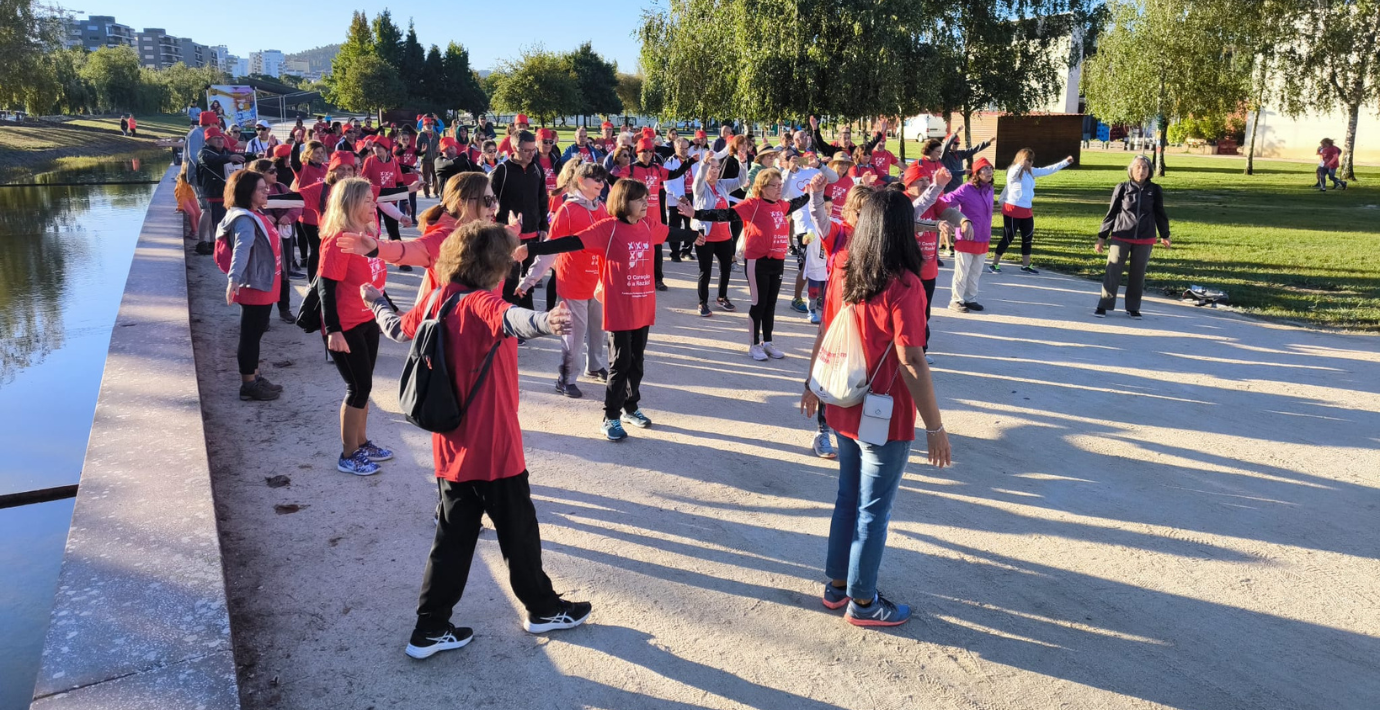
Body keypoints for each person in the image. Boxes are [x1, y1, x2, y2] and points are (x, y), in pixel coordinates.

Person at [356, 221, 589, 660]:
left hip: (451, 447)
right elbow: (510, 319)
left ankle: (430, 627)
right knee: (519, 532)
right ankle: (542, 608)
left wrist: (376, 301)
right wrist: (545, 320)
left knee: (454, 539)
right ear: (493, 264)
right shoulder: (482, 301)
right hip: (495, 446)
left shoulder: (437, 298)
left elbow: (395, 328)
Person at [799, 188, 952, 628]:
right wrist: (936, 427)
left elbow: (827, 330)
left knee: (848, 499)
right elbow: (912, 360)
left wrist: (812, 384)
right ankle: (863, 602)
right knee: (873, 510)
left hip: (844, 401)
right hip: (886, 414)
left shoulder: (844, 268)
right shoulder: (905, 284)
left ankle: (838, 586)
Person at [524, 179, 691, 441]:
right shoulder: (608, 229)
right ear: (624, 202)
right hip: (620, 309)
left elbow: (670, 233)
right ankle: (610, 416)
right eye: (639, 199)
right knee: (620, 364)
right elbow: (569, 242)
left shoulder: (648, 224)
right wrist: (531, 248)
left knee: (637, 363)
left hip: (643, 306)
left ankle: (630, 407)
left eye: (646, 198)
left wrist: (696, 235)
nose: (646, 203)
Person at [693, 169, 826, 361]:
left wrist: (813, 191)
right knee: (759, 303)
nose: (779, 189)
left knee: (770, 304)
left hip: (777, 261)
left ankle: (768, 342)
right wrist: (695, 213)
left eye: (781, 185)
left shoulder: (781, 205)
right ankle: (754, 345)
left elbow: (797, 203)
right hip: (758, 261)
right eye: (775, 185)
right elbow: (725, 214)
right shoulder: (753, 205)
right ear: (762, 188)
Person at [317, 177, 394, 476]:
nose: (373, 204)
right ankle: (348, 454)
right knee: (357, 387)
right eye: (367, 200)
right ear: (350, 204)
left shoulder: (367, 236)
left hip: (367, 320)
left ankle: (362, 443)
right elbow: (326, 289)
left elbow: (375, 281)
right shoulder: (338, 241)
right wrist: (333, 331)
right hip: (345, 325)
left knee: (366, 385)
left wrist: (391, 307)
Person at [516, 162, 612, 396]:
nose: (601, 183)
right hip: (573, 283)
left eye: (602, 179)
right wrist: (529, 280)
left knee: (598, 329)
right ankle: (566, 378)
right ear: (581, 181)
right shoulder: (567, 210)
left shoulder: (601, 208)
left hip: (596, 283)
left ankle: (595, 366)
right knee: (574, 334)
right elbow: (550, 249)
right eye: (595, 179)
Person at [217, 170, 284, 402]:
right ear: (247, 192)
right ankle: (248, 385)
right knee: (250, 335)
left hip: (263, 281)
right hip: (253, 284)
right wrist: (233, 278)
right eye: (261, 188)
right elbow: (242, 248)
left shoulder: (252, 213)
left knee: (255, 332)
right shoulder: (244, 219)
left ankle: (254, 376)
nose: (267, 190)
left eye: (266, 187)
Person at [1095, 155, 1171, 318]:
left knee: (1138, 274)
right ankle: (1104, 305)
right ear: (1131, 170)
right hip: (1121, 235)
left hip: (1145, 237)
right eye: (1138, 167)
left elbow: (1160, 213)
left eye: (1145, 167)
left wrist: (1165, 234)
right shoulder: (1122, 188)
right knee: (1112, 271)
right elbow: (1112, 213)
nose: (1141, 170)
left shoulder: (1155, 190)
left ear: (1149, 171)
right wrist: (1102, 237)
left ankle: (1133, 308)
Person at [990, 149, 1073, 274]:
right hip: (1013, 209)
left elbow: (1047, 170)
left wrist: (1065, 162)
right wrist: (1020, 164)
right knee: (1008, 237)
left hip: (1026, 210)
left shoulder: (1030, 172)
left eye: (1031, 160)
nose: (1030, 162)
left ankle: (1026, 265)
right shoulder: (1013, 171)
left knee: (1027, 237)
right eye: (1028, 160)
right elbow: (1013, 174)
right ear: (1021, 159)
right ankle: (994, 264)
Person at [491, 130, 549, 309]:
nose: (532, 154)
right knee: (510, 280)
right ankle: (510, 319)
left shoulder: (537, 168)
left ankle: (527, 315)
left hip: (532, 233)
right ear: (515, 148)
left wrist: (544, 227)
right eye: (526, 150)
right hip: (509, 236)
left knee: (529, 280)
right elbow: (490, 201)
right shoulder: (502, 170)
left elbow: (542, 200)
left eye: (533, 150)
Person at [689, 151, 747, 316]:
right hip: (705, 235)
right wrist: (704, 164)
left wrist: (743, 163)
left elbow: (741, 181)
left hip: (724, 235)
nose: (714, 171)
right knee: (705, 270)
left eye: (717, 167)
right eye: (711, 167)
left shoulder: (722, 185)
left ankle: (722, 297)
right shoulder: (699, 187)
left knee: (726, 268)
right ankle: (702, 302)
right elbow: (699, 179)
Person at [247, 159, 301, 322]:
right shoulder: (251, 190)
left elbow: (298, 203)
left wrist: (288, 216)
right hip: (263, 238)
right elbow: (247, 209)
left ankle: (284, 309)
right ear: (259, 173)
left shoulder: (281, 187)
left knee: (284, 273)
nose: (276, 174)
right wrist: (263, 217)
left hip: (283, 235)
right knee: (266, 272)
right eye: (271, 171)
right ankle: (264, 315)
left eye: (275, 171)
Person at [944, 157, 994, 313]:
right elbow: (946, 201)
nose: (989, 172)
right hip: (967, 237)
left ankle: (970, 298)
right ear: (976, 173)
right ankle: (956, 300)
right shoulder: (965, 189)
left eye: (990, 168)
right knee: (962, 271)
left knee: (976, 272)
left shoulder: (990, 189)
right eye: (985, 169)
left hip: (983, 236)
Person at [196, 126, 246, 255]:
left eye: (220, 138)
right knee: (218, 221)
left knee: (225, 221)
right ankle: (220, 249)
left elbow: (238, 157)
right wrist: (229, 158)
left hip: (226, 192)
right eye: (215, 139)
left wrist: (254, 157)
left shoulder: (225, 152)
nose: (219, 141)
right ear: (207, 141)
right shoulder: (204, 152)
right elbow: (210, 160)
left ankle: (218, 245)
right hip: (214, 192)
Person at [937, 127, 993, 194]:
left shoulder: (959, 154)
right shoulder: (944, 155)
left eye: (958, 143)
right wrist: (955, 133)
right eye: (955, 143)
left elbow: (973, 150)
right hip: (947, 190)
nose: (957, 145)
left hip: (958, 189)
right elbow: (946, 146)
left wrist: (987, 142)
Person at [416, 118, 440, 198]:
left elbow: (441, 143)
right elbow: (417, 148)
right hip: (425, 159)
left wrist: (440, 148)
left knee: (436, 176)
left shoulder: (436, 135)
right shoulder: (421, 135)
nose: (429, 126)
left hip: (435, 158)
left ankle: (436, 192)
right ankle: (426, 193)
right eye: (427, 124)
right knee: (425, 177)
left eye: (431, 124)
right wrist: (421, 151)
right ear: (424, 125)